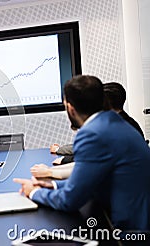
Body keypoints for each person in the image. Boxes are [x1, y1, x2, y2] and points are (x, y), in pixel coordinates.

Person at [14, 75, 150, 231]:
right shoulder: (114, 122)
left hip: (128, 230)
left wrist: (34, 192)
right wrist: (52, 185)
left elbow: (70, 201)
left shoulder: (92, 134)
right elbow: (89, 180)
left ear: (70, 108)